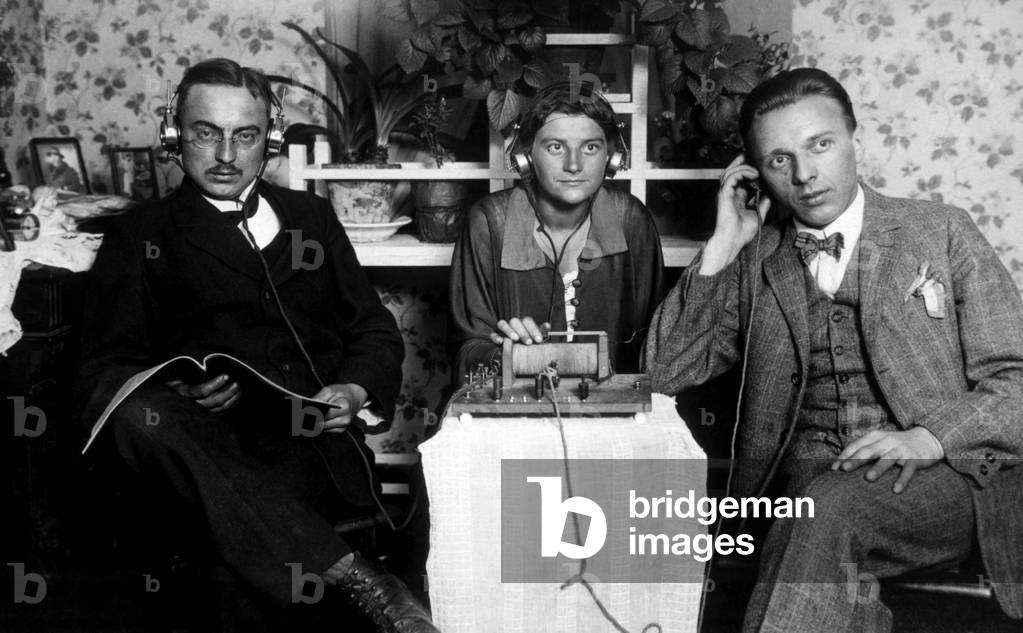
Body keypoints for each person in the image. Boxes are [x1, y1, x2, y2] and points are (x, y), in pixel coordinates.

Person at [645, 67, 1023, 632]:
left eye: (819, 145)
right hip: (801, 484)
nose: (803, 174)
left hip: (942, 478)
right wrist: (723, 242)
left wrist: (929, 437)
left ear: (855, 142)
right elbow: (663, 372)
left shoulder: (941, 231)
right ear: (757, 173)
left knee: (824, 512)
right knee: (817, 525)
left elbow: (1016, 382)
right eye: (779, 159)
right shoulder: (754, 258)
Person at [76, 58, 438, 633]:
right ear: (174, 135)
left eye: (244, 136)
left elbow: (372, 329)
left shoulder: (312, 217)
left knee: (238, 543)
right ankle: (361, 578)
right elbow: (102, 371)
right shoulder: (137, 235)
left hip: (310, 447)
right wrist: (175, 390)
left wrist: (352, 389)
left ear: (269, 140)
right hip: (205, 449)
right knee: (142, 421)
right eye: (205, 133)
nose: (225, 155)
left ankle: (339, 571)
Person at [450, 81, 664, 382]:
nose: (574, 165)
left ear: (611, 158)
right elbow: (465, 354)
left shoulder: (631, 219)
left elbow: (657, 347)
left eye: (590, 147)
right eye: (555, 147)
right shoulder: (489, 222)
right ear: (525, 157)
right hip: (520, 406)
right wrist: (509, 354)